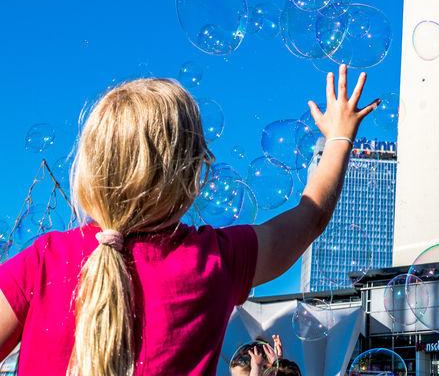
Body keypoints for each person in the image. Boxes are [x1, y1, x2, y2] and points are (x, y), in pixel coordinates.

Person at [0, 65, 377, 376]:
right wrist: (339, 138)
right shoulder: (213, 259)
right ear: (191, 173)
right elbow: (310, 217)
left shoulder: (44, 259)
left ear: (91, 169)